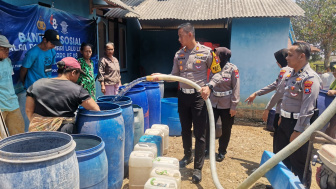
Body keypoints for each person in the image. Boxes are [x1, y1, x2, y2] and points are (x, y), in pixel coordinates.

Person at [152, 23, 221, 184]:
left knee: (199, 133)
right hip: (183, 96)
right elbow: (174, 75)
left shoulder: (207, 52)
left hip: (199, 97)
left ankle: (197, 168)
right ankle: (187, 155)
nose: (178, 38)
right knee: (185, 129)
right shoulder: (179, 54)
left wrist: (209, 86)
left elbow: (219, 73)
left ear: (190, 34)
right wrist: (161, 76)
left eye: (180, 35)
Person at [276, 42, 321, 188]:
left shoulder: (310, 78)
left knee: (300, 161)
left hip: (298, 126)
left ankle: (302, 186)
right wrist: (282, 116)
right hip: (285, 122)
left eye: (290, 55)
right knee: (282, 157)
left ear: (302, 56)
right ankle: (283, 185)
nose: (287, 57)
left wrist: (298, 130)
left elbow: (308, 108)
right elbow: (286, 98)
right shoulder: (290, 74)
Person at [26, 57, 100, 134]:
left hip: (38, 132)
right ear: (73, 72)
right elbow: (95, 109)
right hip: (64, 133)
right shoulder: (77, 90)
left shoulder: (37, 84)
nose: (78, 78)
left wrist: (44, 124)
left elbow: (29, 110)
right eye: (79, 74)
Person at [245, 48, 291, 152]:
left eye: (277, 60)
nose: (276, 62)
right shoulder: (290, 70)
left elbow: (279, 92)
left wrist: (267, 109)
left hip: (282, 111)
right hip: (287, 112)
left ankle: (277, 162)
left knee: (279, 140)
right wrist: (257, 93)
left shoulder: (285, 70)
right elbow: (275, 84)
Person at [200, 47, 240, 162]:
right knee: (208, 126)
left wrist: (234, 106)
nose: (215, 57)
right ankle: (207, 149)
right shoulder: (214, 67)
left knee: (226, 128)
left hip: (227, 104)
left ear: (223, 56)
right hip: (213, 102)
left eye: (217, 55)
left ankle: (222, 151)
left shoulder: (233, 69)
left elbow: (236, 88)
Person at [0, 35, 24, 135]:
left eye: (8, 48)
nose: (7, 51)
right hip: (1, 107)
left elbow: (8, 81)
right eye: (3, 48)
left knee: (19, 134)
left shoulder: (8, 61)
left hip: (12, 104)